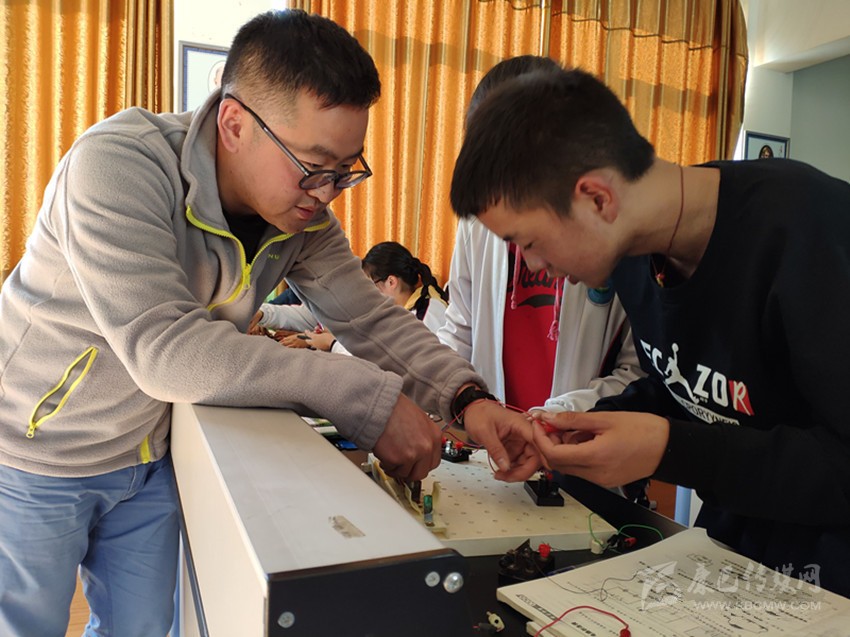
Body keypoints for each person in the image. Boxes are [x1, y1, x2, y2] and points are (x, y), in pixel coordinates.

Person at [0, 10, 538, 636]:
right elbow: (166, 349)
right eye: (314, 165)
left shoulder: (301, 220)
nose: (326, 192)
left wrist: (468, 398)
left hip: (145, 456)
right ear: (234, 124)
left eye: (346, 171)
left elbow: (370, 318)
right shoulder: (119, 165)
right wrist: (367, 399)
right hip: (35, 453)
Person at [449, 67, 850, 595]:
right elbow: (684, 387)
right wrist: (580, 427)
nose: (534, 266)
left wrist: (668, 449)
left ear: (597, 199)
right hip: (736, 554)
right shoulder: (637, 258)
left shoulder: (809, 232)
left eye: (528, 242)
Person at [438, 56, 642, 415]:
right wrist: (454, 395)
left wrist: (561, 413)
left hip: (579, 435)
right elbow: (460, 329)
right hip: (490, 434)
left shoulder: (619, 227)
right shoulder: (476, 223)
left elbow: (638, 372)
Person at [251, 240, 449, 353]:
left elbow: (385, 359)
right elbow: (311, 315)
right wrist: (262, 313)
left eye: (371, 283)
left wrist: (331, 344)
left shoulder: (428, 314)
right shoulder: (384, 305)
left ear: (391, 282)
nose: (366, 291)